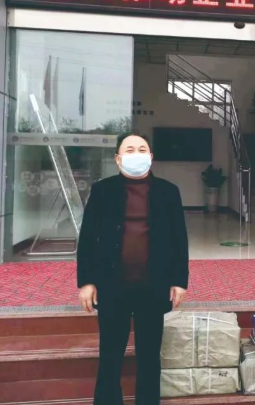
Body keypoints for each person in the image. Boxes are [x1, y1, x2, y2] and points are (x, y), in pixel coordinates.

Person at [77, 132, 189, 405]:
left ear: (151, 157)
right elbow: (88, 237)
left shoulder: (168, 191)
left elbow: (179, 238)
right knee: (110, 354)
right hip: (112, 284)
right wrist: (87, 281)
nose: (136, 154)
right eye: (129, 150)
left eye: (142, 149)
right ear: (118, 159)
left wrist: (179, 280)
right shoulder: (103, 190)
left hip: (153, 284)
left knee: (149, 356)